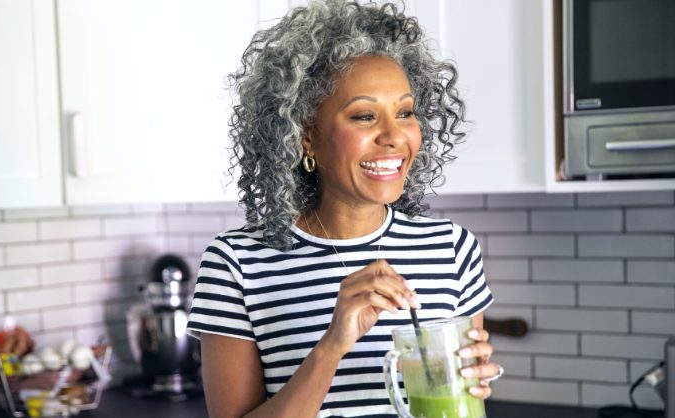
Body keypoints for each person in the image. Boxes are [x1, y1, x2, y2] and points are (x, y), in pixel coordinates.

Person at [186, 1, 501, 417]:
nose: (394, 136)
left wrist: (473, 380)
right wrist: (332, 345)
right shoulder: (238, 263)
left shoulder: (452, 250)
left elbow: (461, 402)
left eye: (405, 112)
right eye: (365, 116)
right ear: (304, 136)